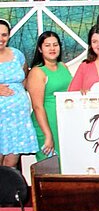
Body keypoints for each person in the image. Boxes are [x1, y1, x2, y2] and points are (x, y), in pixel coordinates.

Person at [26, 31, 71, 161]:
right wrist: (48, 134)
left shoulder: (63, 66)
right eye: (47, 45)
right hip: (46, 123)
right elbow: (37, 106)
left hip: (64, 121)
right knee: (49, 165)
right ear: (40, 49)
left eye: (55, 45)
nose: (52, 48)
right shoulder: (37, 72)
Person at [0, 19, 37, 165]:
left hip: (18, 118)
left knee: (11, 165)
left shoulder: (17, 54)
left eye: (4, 35)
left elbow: (24, 79)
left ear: (9, 36)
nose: (1, 38)